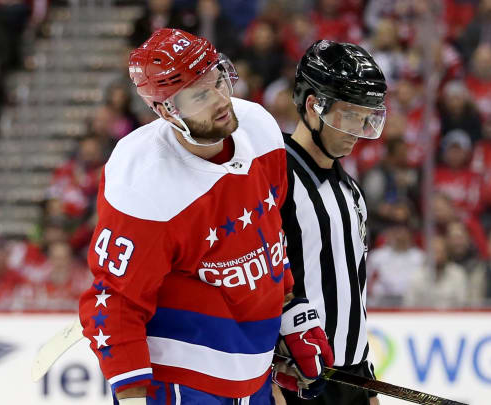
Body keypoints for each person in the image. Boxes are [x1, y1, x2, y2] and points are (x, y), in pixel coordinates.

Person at [78, 29, 333, 405]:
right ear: (166, 110)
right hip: (180, 383)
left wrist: (290, 311)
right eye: (200, 95)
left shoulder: (259, 129)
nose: (220, 100)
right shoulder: (144, 182)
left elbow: (267, 234)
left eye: (218, 79)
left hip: (254, 371)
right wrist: (133, 397)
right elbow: (114, 301)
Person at [279, 39, 386, 405]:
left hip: (351, 382)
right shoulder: (273, 179)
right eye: (350, 115)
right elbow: (257, 284)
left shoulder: (352, 192)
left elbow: (353, 291)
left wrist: (365, 377)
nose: (358, 129)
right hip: (295, 382)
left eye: (366, 117)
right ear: (314, 105)